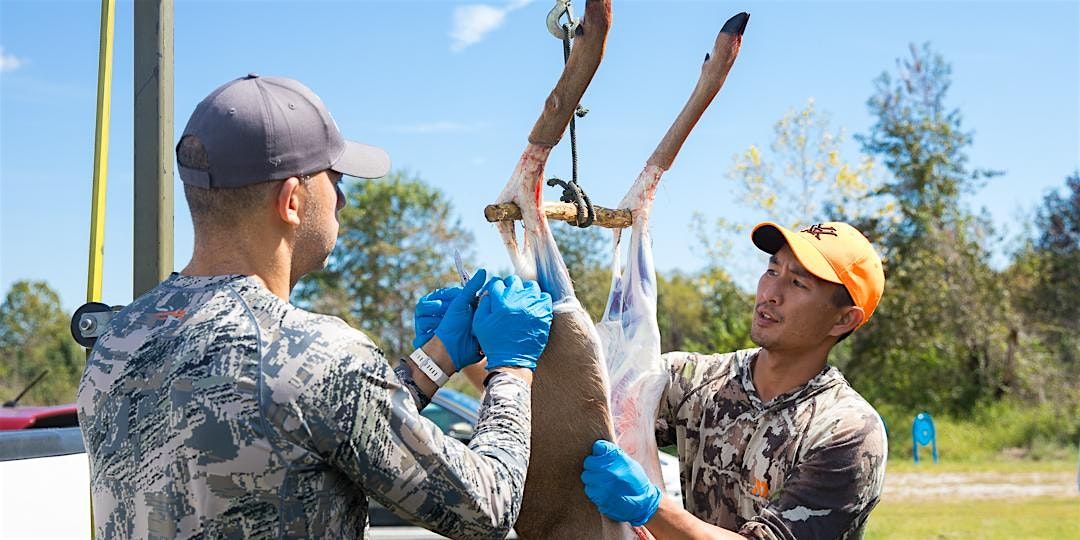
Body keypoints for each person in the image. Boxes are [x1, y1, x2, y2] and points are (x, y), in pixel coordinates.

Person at [77, 74, 553, 539]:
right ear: (291, 199)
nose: (342, 201)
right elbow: (487, 507)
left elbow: (317, 423)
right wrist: (511, 370)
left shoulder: (119, 340)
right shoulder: (316, 354)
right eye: (336, 180)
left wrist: (438, 357)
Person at [581, 221, 888, 539]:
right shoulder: (694, 380)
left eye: (798, 283)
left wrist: (650, 508)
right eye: (772, 270)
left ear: (843, 319)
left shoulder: (847, 432)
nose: (770, 293)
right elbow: (597, 402)